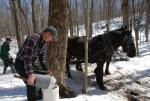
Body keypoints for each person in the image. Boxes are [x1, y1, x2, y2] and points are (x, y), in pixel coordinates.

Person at [14, 26, 58, 101]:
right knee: (32, 83)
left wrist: (47, 70)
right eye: (51, 38)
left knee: (43, 76)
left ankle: (40, 97)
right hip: (21, 63)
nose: (51, 40)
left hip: (31, 63)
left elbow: (42, 58)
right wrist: (30, 75)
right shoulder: (33, 39)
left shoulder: (44, 42)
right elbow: (27, 58)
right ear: (47, 34)